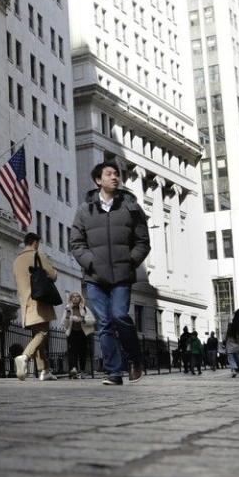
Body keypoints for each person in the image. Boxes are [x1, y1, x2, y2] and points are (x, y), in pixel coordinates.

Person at [69, 160, 150, 386]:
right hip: (95, 277)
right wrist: (90, 262)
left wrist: (129, 261)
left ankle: (135, 359)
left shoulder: (131, 207)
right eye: (109, 174)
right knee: (104, 323)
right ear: (98, 180)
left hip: (122, 276)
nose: (114, 177)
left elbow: (143, 241)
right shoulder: (85, 210)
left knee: (120, 316)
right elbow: (76, 243)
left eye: (116, 174)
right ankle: (114, 372)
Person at [13, 232, 59, 381]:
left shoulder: (17, 260)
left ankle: (44, 370)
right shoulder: (38, 255)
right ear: (34, 242)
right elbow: (52, 275)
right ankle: (24, 357)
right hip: (39, 299)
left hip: (25, 301)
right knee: (44, 332)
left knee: (37, 334)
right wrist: (54, 271)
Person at [60, 291, 94, 378]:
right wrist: (68, 315)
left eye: (77, 296)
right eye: (73, 297)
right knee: (72, 352)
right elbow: (64, 324)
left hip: (83, 333)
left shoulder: (85, 308)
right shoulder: (68, 309)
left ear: (80, 298)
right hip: (72, 333)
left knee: (82, 352)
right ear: (70, 299)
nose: (75, 298)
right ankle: (73, 369)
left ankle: (82, 371)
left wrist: (82, 320)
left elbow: (93, 320)